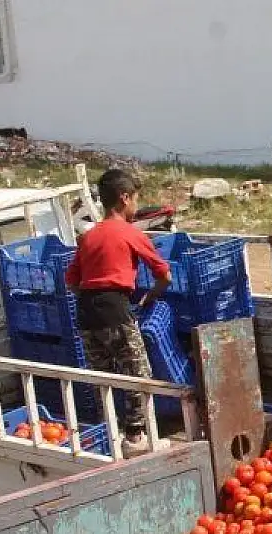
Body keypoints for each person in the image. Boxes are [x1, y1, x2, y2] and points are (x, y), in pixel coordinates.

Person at [65, 169, 172, 457]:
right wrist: (149, 296)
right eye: (135, 199)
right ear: (124, 199)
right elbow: (164, 274)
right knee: (138, 374)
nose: (137, 205)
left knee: (104, 376)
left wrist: (93, 295)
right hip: (116, 310)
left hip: (86, 313)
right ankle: (137, 438)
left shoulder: (89, 236)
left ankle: (110, 436)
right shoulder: (129, 233)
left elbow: (71, 281)